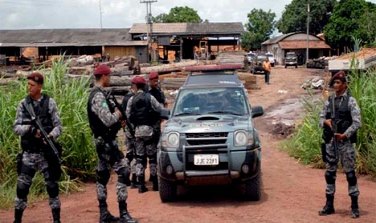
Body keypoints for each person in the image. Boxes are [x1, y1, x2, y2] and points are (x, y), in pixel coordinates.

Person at [87, 64, 137, 223]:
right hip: (106, 143)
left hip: (105, 142)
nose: (110, 79)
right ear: (104, 77)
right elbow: (107, 119)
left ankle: (104, 214)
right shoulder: (98, 96)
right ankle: (123, 213)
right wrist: (117, 114)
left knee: (102, 176)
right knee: (123, 171)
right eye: (109, 76)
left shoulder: (102, 94)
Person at [13, 72, 62, 223]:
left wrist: (51, 136)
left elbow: (58, 126)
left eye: (32, 85)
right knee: (22, 188)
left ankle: (56, 219)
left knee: (52, 187)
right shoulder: (24, 104)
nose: (29, 87)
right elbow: (16, 128)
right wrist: (30, 130)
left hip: (46, 154)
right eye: (28, 84)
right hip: (29, 154)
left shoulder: (50, 103)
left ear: (40, 86)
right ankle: (17, 219)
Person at [318, 71, 361, 218]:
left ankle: (354, 207)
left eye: (338, 83)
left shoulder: (350, 101)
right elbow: (321, 116)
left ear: (344, 85)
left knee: (350, 174)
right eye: (334, 82)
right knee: (330, 174)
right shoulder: (329, 101)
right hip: (331, 142)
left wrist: (345, 134)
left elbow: (357, 122)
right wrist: (326, 121)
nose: (335, 85)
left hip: (345, 143)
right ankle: (329, 205)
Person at [126, 76, 164, 193]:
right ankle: (155, 184)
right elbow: (160, 108)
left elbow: (128, 115)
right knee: (152, 157)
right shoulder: (150, 97)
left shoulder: (131, 99)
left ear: (136, 86)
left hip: (137, 132)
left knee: (139, 158)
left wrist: (133, 129)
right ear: (145, 85)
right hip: (149, 131)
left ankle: (141, 185)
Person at [147, 72, 167, 190]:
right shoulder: (147, 92)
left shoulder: (159, 91)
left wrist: (162, 117)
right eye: (154, 80)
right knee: (150, 151)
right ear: (149, 80)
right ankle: (152, 176)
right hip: (149, 124)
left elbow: (164, 104)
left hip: (157, 123)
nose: (156, 82)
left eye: (157, 80)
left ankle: (154, 175)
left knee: (156, 149)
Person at [121, 83, 137, 189]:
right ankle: (134, 179)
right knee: (136, 155)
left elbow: (122, 115)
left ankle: (126, 177)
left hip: (127, 130)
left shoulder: (125, 98)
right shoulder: (134, 99)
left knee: (129, 154)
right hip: (134, 130)